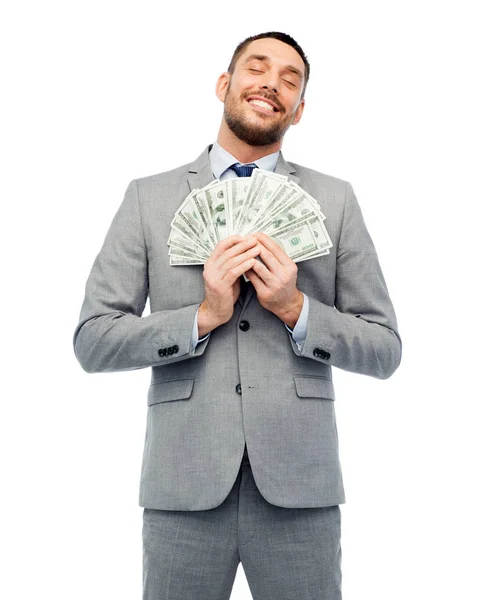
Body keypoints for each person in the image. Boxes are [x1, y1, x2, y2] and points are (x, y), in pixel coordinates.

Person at [73, 31, 402, 600]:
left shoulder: (335, 200)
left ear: (298, 111)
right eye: (257, 67)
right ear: (225, 85)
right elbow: (93, 340)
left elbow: (384, 349)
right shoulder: (148, 198)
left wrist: (295, 308)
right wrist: (200, 317)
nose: (271, 82)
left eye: (290, 79)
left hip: (301, 490)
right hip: (183, 487)